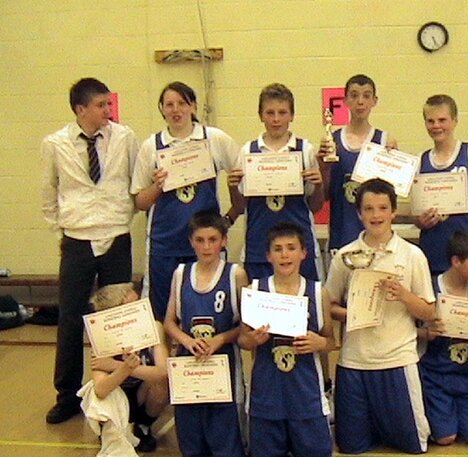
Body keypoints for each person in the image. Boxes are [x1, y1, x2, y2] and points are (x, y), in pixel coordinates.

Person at [41, 77, 139, 424]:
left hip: (115, 235)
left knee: (117, 320)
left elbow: (134, 180)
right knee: (70, 318)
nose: (107, 112)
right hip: (78, 238)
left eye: (109, 105)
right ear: (81, 109)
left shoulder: (124, 137)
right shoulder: (55, 144)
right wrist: (65, 228)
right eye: (100, 106)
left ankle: (122, 389)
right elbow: (48, 192)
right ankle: (67, 395)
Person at [325, 178, 436, 454]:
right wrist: (353, 313)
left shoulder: (412, 255)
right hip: (354, 363)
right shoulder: (345, 256)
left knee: (413, 447)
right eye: (369, 209)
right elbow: (328, 305)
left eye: (382, 208)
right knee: (350, 449)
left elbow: (429, 312)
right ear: (359, 213)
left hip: (396, 361)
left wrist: (403, 295)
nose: (376, 215)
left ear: (393, 212)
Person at [131, 81, 242, 321]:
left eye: (182, 103)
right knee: (161, 314)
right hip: (165, 244)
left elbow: (243, 181)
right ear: (161, 109)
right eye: (169, 104)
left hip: (205, 245)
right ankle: (163, 359)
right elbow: (140, 201)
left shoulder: (215, 139)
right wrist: (157, 187)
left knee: (206, 312)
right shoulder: (151, 146)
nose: (176, 109)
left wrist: (228, 219)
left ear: (193, 106)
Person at [238, 222, 335, 457]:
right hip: (267, 399)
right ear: (268, 255)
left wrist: (319, 342)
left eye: (291, 248)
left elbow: (332, 341)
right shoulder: (255, 290)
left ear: (304, 253)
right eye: (278, 249)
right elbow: (242, 340)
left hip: (305, 397)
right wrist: (252, 340)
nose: (285, 254)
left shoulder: (318, 293)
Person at [163, 211, 249, 457]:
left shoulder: (236, 274)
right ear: (191, 241)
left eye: (213, 239)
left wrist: (220, 339)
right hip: (189, 365)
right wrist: (187, 340)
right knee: (192, 452)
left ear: (224, 240)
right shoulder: (180, 273)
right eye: (200, 240)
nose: (206, 246)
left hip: (223, 363)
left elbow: (246, 326)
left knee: (230, 453)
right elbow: (169, 321)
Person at [229, 83, 324, 280]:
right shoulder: (248, 151)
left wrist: (319, 185)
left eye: (282, 112)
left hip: (300, 249)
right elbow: (239, 206)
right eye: (270, 112)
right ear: (260, 115)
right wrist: (232, 187)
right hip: (258, 248)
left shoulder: (304, 150)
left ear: (292, 115)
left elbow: (315, 206)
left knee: (306, 307)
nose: (276, 119)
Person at [418, 231, 468, 446]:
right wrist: (425, 333)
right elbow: (406, 331)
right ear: (456, 261)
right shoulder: (430, 289)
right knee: (445, 438)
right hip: (435, 374)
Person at [416, 94, 468, 279]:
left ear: (455, 120)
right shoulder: (420, 161)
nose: (436, 126)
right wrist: (419, 220)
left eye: (442, 120)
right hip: (434, 251)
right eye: (430, 121)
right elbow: (414, 209)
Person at [84, 283, 169, 454]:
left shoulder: (154, 327)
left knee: (162, 384)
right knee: (98, 395)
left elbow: (164, 372)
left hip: (141, 391)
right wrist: (123, 370)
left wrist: (119, 366)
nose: (139, 310)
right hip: (117, 394)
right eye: (132, 307)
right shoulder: (101, 339)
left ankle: (142, 426)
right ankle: (113, 427)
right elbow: (101, 389)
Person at [318, 74, 397, 252]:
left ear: (374, 101)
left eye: (366, 96)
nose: (360, 101)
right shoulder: (332, 141)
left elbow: (393, 194)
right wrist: (323, 168)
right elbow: (323, 196)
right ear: (345, 100)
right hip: (342, 235)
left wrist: (397, 167)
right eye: (354, 95)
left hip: (378, 238)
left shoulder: (385, 141)